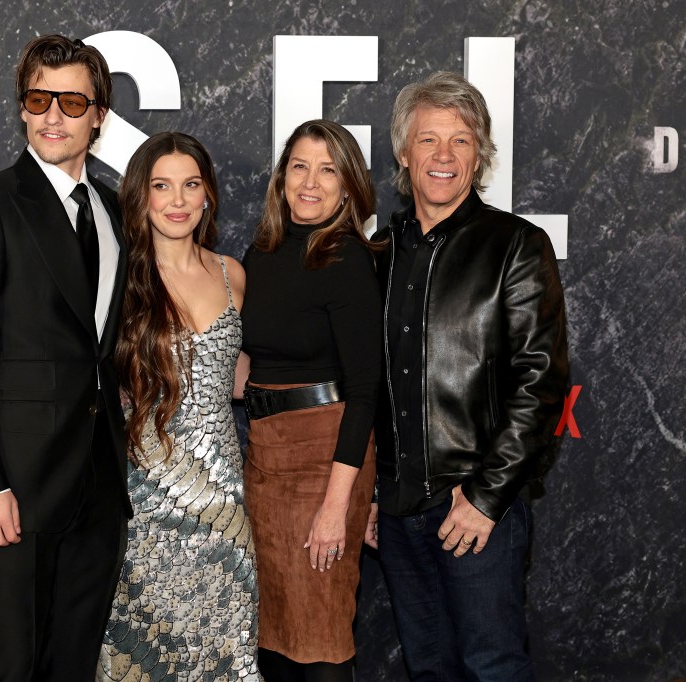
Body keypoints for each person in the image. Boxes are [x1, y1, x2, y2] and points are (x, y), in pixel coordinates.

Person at [0, 35, 130, 680]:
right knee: (11, 667)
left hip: (97, 487)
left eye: (72, 102)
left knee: (72, 665)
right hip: (16, 486)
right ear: (21, 107)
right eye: (39, 98)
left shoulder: (112, 209)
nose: (53, 115)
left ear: (99, 115)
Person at [365, 71, 569, 681]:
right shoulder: (378, 251)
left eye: (461, 140)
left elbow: (540, 385)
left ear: (479, 154)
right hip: (399, 512)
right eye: (429, 140)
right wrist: (371, 492)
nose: (444, 156)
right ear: (404, 153)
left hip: (477, 508)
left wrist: (484, 499)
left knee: (493, 669)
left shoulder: (516, 245)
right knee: (430, 671)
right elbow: (365, 385)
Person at [95, 131, 258, 681]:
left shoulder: (233, 275)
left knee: (223, 651)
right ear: (141, 197)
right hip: (146, 502)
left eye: (191, 184)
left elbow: (233, 375)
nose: (178, 200)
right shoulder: (117, 279)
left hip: (224, 505)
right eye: (162, 186)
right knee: (144, 654)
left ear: (208, 193)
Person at [240, 119, 381, 681]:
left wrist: (336, 507)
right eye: (300, 166)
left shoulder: (345, 259)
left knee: (319, 636)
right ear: (281, 177)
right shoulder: (263, 252)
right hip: (264, 455)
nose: (311, 183)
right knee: (273, 637)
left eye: (328, 170)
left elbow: (365, 392)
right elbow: (252, 361)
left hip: (326, 457)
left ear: (348, 187)